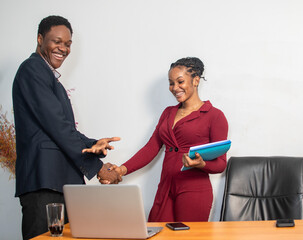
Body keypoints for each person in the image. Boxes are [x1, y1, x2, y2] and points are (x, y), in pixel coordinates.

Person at [12, 15, 121, 240]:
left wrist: (93, 145)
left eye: (68, 44)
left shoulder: (53, 81)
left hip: (62, 185)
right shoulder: (32, 69)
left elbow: (63, 128)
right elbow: (58, 127)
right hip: (45, 183)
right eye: (57, 41)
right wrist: (97, 166)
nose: (63, 48)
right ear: (40, 39)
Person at [103, 57, 228, 222]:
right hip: (166, 187)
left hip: (194, 189)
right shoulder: (168, 113)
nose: (175, 88)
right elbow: (151, 148)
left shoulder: (214, 116)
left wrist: (201, 164)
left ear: (196, 80)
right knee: (156, 232)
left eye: (180, 81)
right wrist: (121, 170)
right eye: (171, 83)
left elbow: (221, 164)